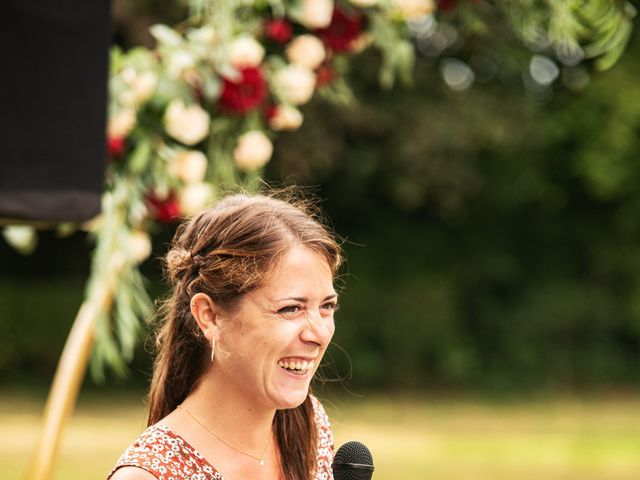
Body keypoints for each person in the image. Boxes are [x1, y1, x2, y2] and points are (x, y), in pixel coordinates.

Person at [108, 192, 343, 480]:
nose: (319, 333)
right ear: (209, 315)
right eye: (291, 308)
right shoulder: (149, 475)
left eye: (327, 306)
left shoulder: (308, 425)